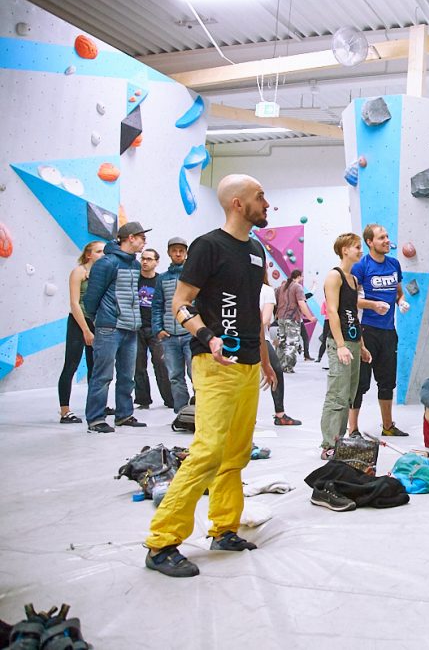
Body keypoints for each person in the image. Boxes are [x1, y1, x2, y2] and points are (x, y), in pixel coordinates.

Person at [144, 174, 277, 578]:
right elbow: (180, 304)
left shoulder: (255, 249)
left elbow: (252, 310)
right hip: (214, 365)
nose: (266, 203)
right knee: (208, 452)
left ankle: (224, 528)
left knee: (236, 453)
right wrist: (208, 336)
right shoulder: (208, 246)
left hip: (250, 365)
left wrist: (265, 360)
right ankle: (162, 541)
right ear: (238, 203)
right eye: (260, 196)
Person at [82, 222, 149, 432]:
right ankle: (95, 418)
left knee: (127, 375)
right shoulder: (106, 263)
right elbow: (91, 298)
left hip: (131, 327)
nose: (144, 242)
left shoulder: (135, 265)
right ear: (130, 238)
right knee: (102, 375)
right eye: (141, 238)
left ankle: (124, 414)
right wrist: (100, 319)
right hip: (109, 326)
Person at [350, 224, 410, 437]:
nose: (386, 240)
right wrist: (373, 305)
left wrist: (401, 302)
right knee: (361, 383)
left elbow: (398, 292)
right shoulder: (361, 266)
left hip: (388, 331)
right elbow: (352, 300)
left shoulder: (394, 264)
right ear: (370, 242)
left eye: (387, 236)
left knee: (387, 382)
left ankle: (388, 426)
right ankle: (353, 429)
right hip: (367, 331)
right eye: (381, 237)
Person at [319, 233, 372, 459]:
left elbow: (353, 315)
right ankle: (328, 444)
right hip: (339, 343)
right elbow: (333, 311)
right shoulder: (335, 276)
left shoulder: (353, 279)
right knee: (337, 395)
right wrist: (340, 345)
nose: (361, 251)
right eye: (357, 247)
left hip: (353, 341)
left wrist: (361, 345)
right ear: (345, 250)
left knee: (349, 394)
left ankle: (339, 440)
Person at [56, 241, 104, 424]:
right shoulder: (78, 272)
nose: (102, 254)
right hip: (78, 322)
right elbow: (74, 303)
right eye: (98, 251)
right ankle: (64, 411)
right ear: (88, 255)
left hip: (96, 323)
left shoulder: (101, 274)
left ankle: (95, 406)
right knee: (71, 365)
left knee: (95, 368)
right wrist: (85, 329)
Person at [154, 237, 193, 414]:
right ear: (169, 252)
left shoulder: (193, 275)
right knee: (175, 377)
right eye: (174, 250)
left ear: (186, 253)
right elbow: (157, 306)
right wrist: (158, 329)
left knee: (197, 375)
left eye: (181, 250)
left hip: (190, 334)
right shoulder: (162, 279)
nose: (178, 253)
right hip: (169, 336)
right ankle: (182, 413)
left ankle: (201, 412)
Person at [260, 270, 302, 427]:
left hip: (260, 338)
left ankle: (280, 414)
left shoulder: (268, 290)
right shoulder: (240, 286)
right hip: (240, 338)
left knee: (276, 370)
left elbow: (265, 319)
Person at [134, 248, 174, 410]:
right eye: (143, 258)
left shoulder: (160, 281)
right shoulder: (135, 280)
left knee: (161, 363)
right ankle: (143, 400)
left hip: (156, 328)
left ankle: (170, 399)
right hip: (137, 327)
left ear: (157, 262)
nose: (145, 262)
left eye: (149, 259)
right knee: (138, 365)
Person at [275, 270, 316, 373]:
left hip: (280, 318)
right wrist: (310, 317)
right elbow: (301, 303)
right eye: (301, 277)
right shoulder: (297, 287)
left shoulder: (281, 288)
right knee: (292, 343)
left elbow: (275, 303)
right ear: (298, 276)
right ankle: (288, 366)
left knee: (282, 342)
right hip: (292, 319)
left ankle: (279, 365)